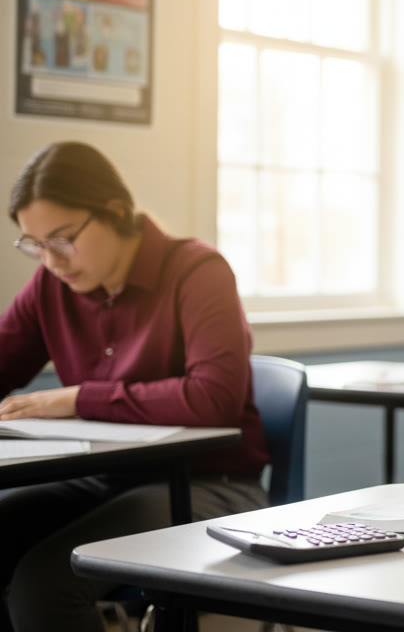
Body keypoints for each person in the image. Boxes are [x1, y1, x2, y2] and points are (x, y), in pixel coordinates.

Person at [0, 141, 269, 632]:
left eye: (62, 238)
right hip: (107, 479)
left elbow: (212, 399)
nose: (51, 261)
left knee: (46, 584)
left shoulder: (198, 272)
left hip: (209, 485)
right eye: (34, 245)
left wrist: (80, 399)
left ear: (115, 211)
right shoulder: (50, 288)